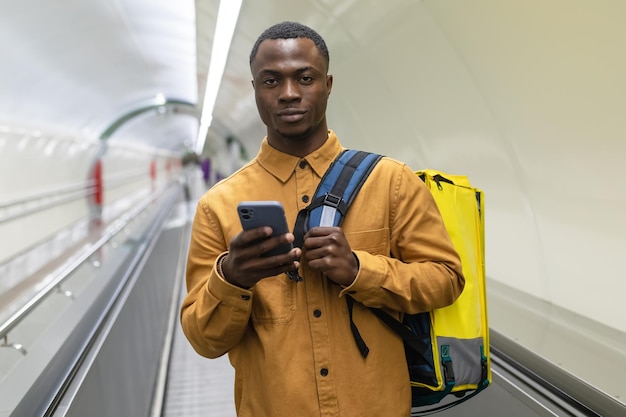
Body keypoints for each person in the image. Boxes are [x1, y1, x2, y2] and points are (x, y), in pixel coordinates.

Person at [181, 21, 464, 417]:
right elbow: (203, 339)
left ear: (327, 84)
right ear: (255, 91)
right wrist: (232, 277)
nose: (289, 93)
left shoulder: (389, 182)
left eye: (305, 77)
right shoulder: (219, 205)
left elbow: (446, 279)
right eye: (271, 81)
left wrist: (358, 270)